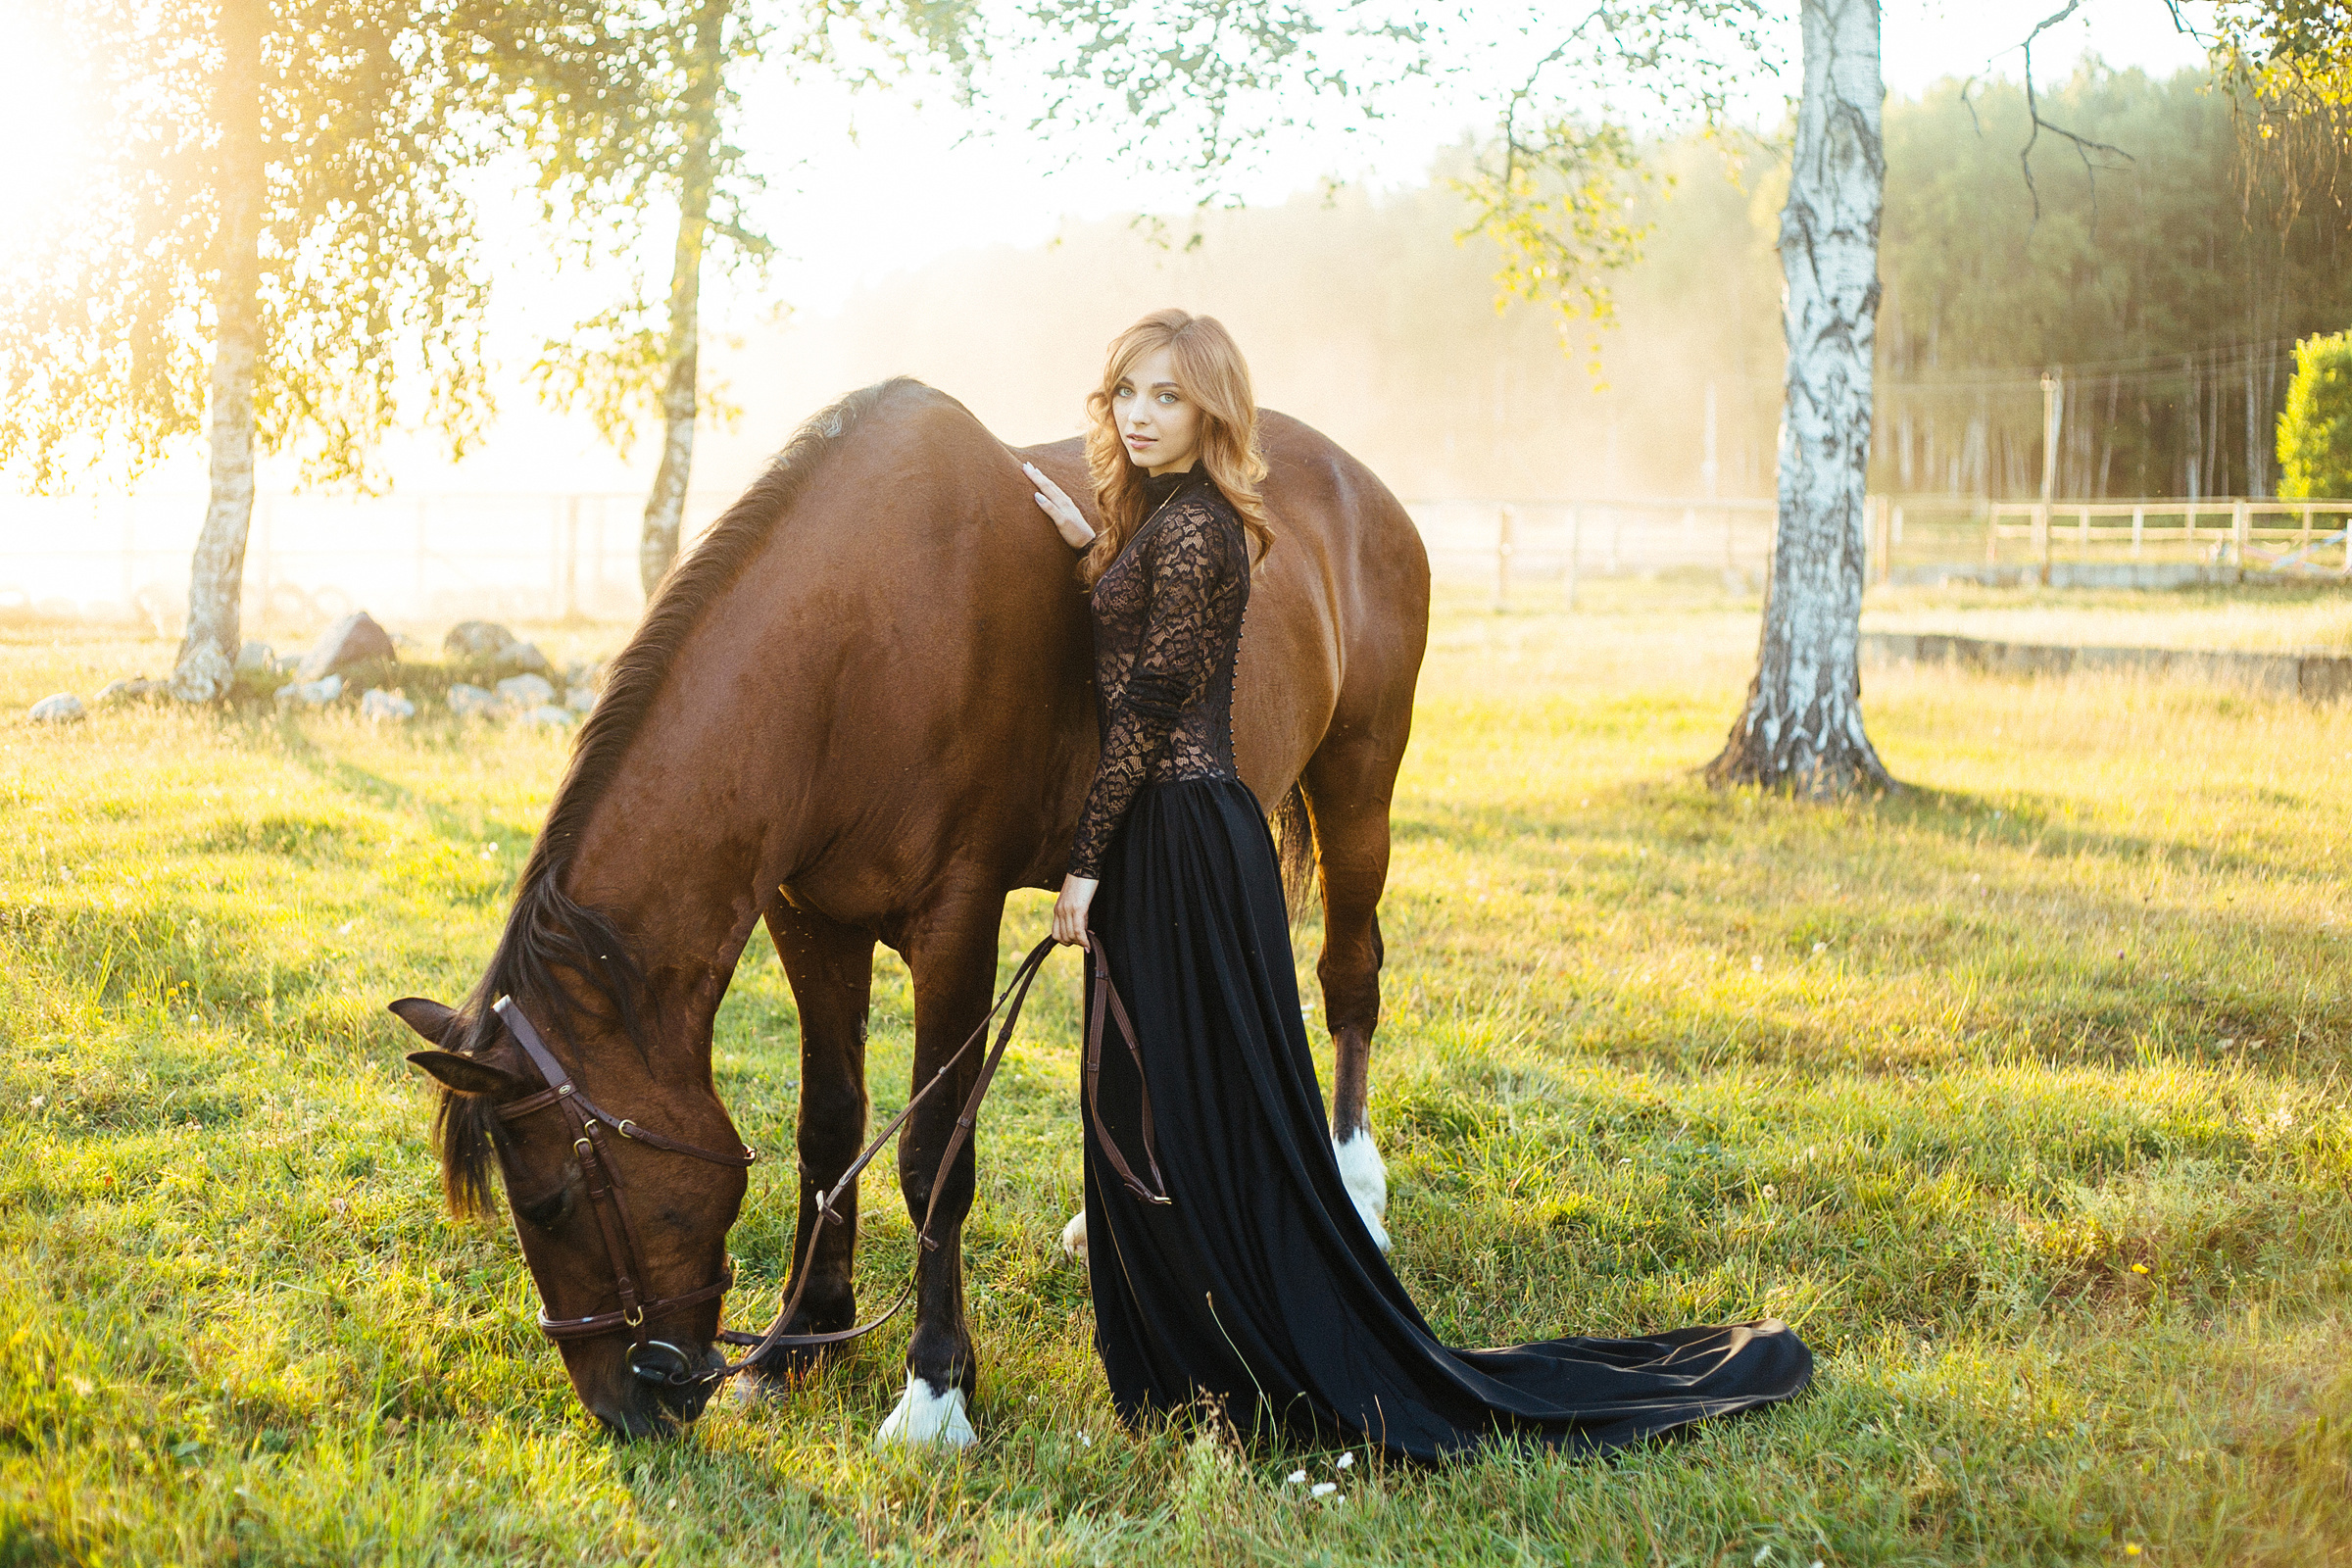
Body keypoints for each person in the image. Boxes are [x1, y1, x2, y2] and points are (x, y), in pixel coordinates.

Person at [1021, 308, 1812, 1460]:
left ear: (1212, 410)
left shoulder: (1196, 532)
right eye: (1126, 393)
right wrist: (1081, 537)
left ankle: (1227, 1348)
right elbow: (1128, 605)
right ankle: (1187, 1335)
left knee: (1187, 1082)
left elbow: (1145, 709)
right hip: (1174, 833)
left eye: (1167, 397)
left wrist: (1083, 865)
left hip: (1181, 833)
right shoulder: (1168, 517)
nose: (1141, 415)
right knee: (1161, 1081)